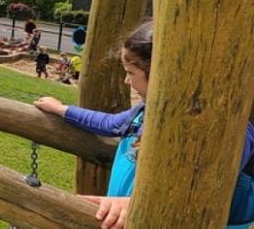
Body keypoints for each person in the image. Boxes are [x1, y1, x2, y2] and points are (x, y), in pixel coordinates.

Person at [34, 21, 254, 229]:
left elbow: (207, 187)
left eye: (131, 73)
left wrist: (134, 203)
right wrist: (61, 109)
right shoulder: (143, 113)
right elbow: (108, 123)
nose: (126, 81)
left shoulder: (230, 132)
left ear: (161, 73)